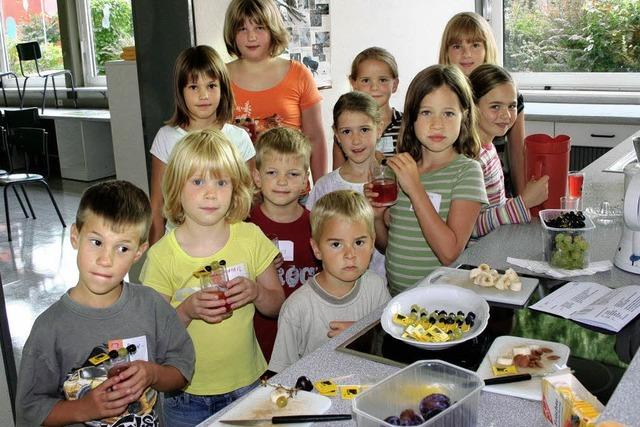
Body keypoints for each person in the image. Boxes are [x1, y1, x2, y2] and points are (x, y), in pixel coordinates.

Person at [16, 180, 195, 427]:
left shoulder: (151, 306)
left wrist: (152, 373)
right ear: (75, 237)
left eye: (122, 248)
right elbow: (30, 411)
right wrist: (84, 408)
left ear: (138, 253)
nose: (105, 260)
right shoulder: (49, 328)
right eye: (97, 242)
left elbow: (182, 369)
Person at [140, 129, 284, 426]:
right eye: (197, 181)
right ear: (176, 187)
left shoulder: (250, 237)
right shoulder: (162, 255)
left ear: (235, 188)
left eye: (221, 182)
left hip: (247, 383)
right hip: (185, 394)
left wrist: (256, 292)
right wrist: (187, 310)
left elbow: (277, 304)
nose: (211, 193)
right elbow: (154, 335)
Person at [366, 65, 489, 296]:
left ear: (464, 116)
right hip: (397, 299)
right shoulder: (400, 170)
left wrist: (415, 188)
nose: (437, 124)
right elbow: (387, 246)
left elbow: (450, 253)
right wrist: (376, 218)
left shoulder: (467, 172)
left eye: (448, 113)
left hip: (442, 302)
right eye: (426, 112)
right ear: (411, 119)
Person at [269, 190, 391, 373]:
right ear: (316, 249)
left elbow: (391, 344)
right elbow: (281, 377)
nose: (350, 255)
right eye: (336, 244)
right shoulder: (297, 308)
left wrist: (362, 336)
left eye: (359, 242)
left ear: (372, 243)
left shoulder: (376, 287)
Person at [149, 45, 256, 245]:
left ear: (223, 88)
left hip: (228, 244)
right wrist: (153, 256)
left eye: (211, 86)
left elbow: (246, 202)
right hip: (177, 245)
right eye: (193, 87)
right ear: (180, 91)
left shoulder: (240, 138)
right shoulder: (166, 137)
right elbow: (157, 207)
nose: (203, 95)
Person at [224, 0, 328, 182]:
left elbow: (315, 139)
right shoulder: (218, 78)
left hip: (293, 193)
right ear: (232, 33)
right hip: (239, 195)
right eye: (242, 29)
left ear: (272, 30)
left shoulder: (299, 74)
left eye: (259, 28)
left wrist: (321, 191)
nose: (251, 37)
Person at [248, 126, 320, 361]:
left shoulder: (318, 225)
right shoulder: (244, 227)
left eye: (292, 174)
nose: (281, 181)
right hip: (260, 344)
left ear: (305, 181)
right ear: (257, 177)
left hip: (310, 340)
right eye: (272, 173)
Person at [439, 11, 526, 197]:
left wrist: (523, 200)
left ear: (487, 49)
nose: (466, 54)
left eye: (475, 45)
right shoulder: (439, 95)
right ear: (446, 52)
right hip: (454, 193)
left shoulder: (508, 92)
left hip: (497, 187)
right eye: (457, 46)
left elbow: (518, 154)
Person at [306, 91, 386, 280]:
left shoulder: (392, 182)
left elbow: (393, 245)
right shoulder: (325, 186)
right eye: (347, 131)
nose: (356, 140)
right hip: (338, 289)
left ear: (379, 128)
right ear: (337, 134)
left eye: (364, 130)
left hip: (383, 285)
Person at [469, 64, 549, 237]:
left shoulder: (489, 149)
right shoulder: (472, 160)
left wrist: (521, 202)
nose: (506, 115)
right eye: (495, 106)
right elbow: (471, 228)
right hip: (479, 258)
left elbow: (496, 206)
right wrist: (523, 202)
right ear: (473, 107)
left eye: (511, 106)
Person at [333, 47, 403, 168]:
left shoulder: (407, 124)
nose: (374, 87)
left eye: (382, 80)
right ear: (353, 83)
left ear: (395, 84)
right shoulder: (346, 129)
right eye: (366, 80)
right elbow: (338, 175)